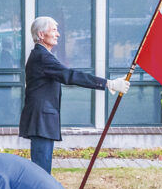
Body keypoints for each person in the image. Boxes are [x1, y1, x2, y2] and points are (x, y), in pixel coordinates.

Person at [19, 16, 130, 173]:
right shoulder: (42, 57)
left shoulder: (42, 55)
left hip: (42, 121)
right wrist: (108, 83)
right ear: (42, 35)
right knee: (41, 174)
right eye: (54, 30)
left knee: (42, 172)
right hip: (41, 121)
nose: (58, 34)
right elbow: (70, 75)